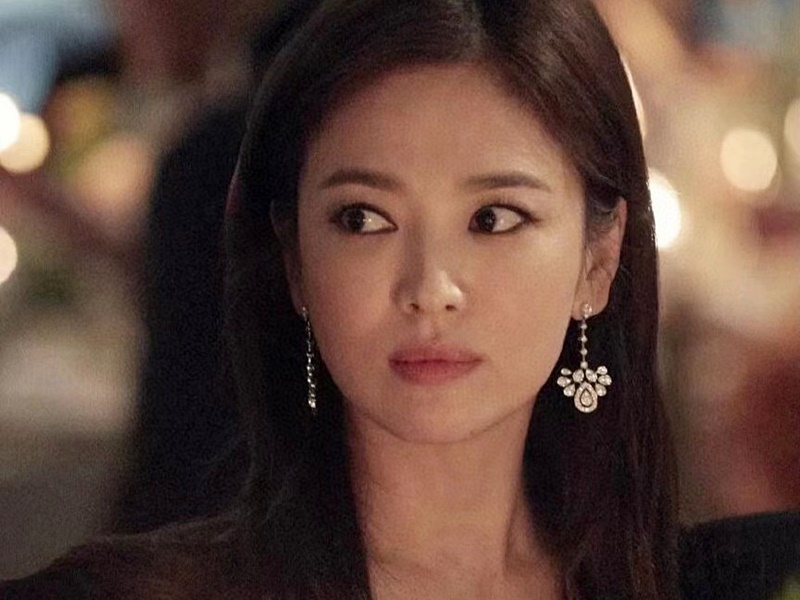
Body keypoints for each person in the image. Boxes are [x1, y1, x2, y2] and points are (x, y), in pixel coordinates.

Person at [2, 0, 678, 597]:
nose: (430, 289)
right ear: (295, 261)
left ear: (598, 260)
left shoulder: (694, 578)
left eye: (494, 219)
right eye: (363, 219)